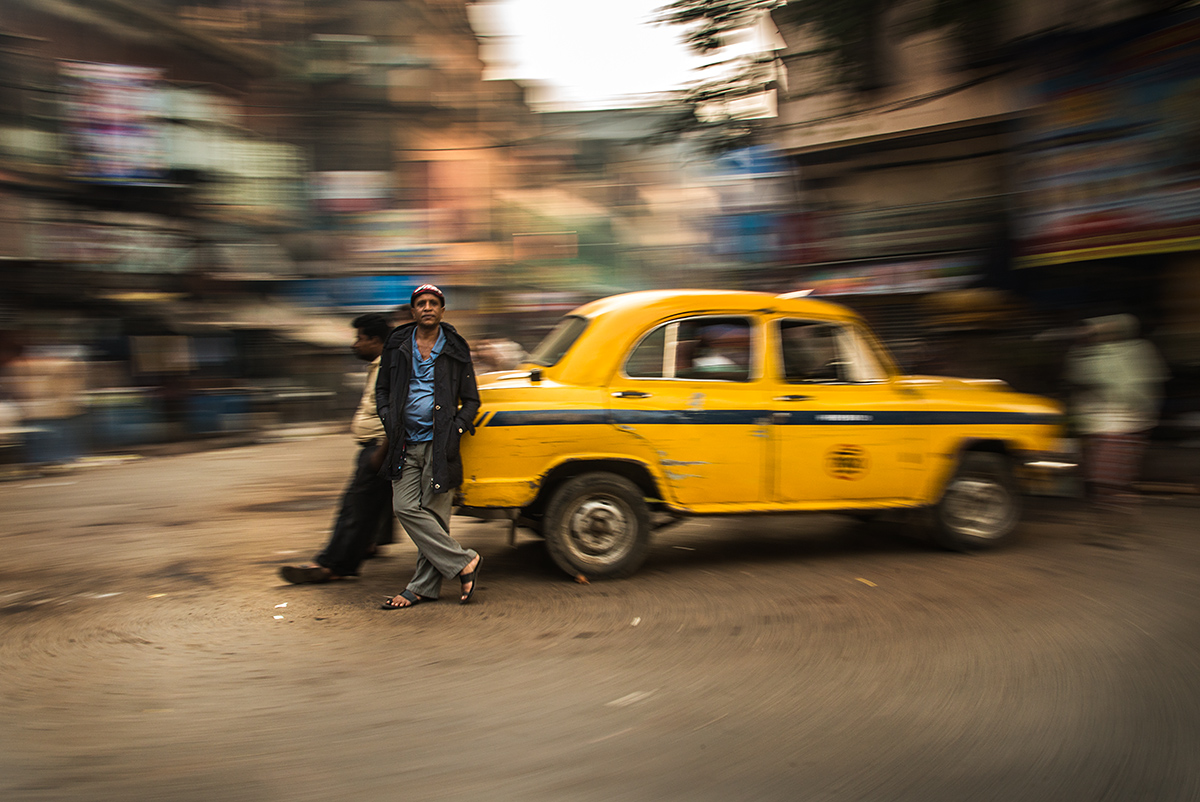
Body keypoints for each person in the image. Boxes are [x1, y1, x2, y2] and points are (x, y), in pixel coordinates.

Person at [377, 284, 482, 608]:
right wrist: (388, 417)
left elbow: (472, 401)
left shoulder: (455, 348)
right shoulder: (396, 345)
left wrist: (457, 428)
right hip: (404, 444)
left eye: (433, 303)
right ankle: (465, 560)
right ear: (413, 311)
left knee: (435, 518)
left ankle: (421, 588)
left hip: (440, 446)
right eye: (420, 303)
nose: (427, 307)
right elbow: (382, 390)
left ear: (441, 310)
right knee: (405, 507)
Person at [279, 313, 395, 584]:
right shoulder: (380, 366)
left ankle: (331, 565)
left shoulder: (389, 368)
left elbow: (399, 413)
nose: (355, 345)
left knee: (355, 507)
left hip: (380, 450)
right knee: (362, 507)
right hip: (375, 448)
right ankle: (351, 554)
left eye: (360, 339)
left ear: (375, 340)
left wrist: (382, 453)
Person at [1065, 313, 1168, 547]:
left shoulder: (1134, 351)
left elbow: (1136, 391)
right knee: (1103, 479)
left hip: (1123, 423)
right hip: (1099, 425)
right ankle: (1116, 526)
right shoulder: (1089, 353)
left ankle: (1118, 528)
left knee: (1108, 478)